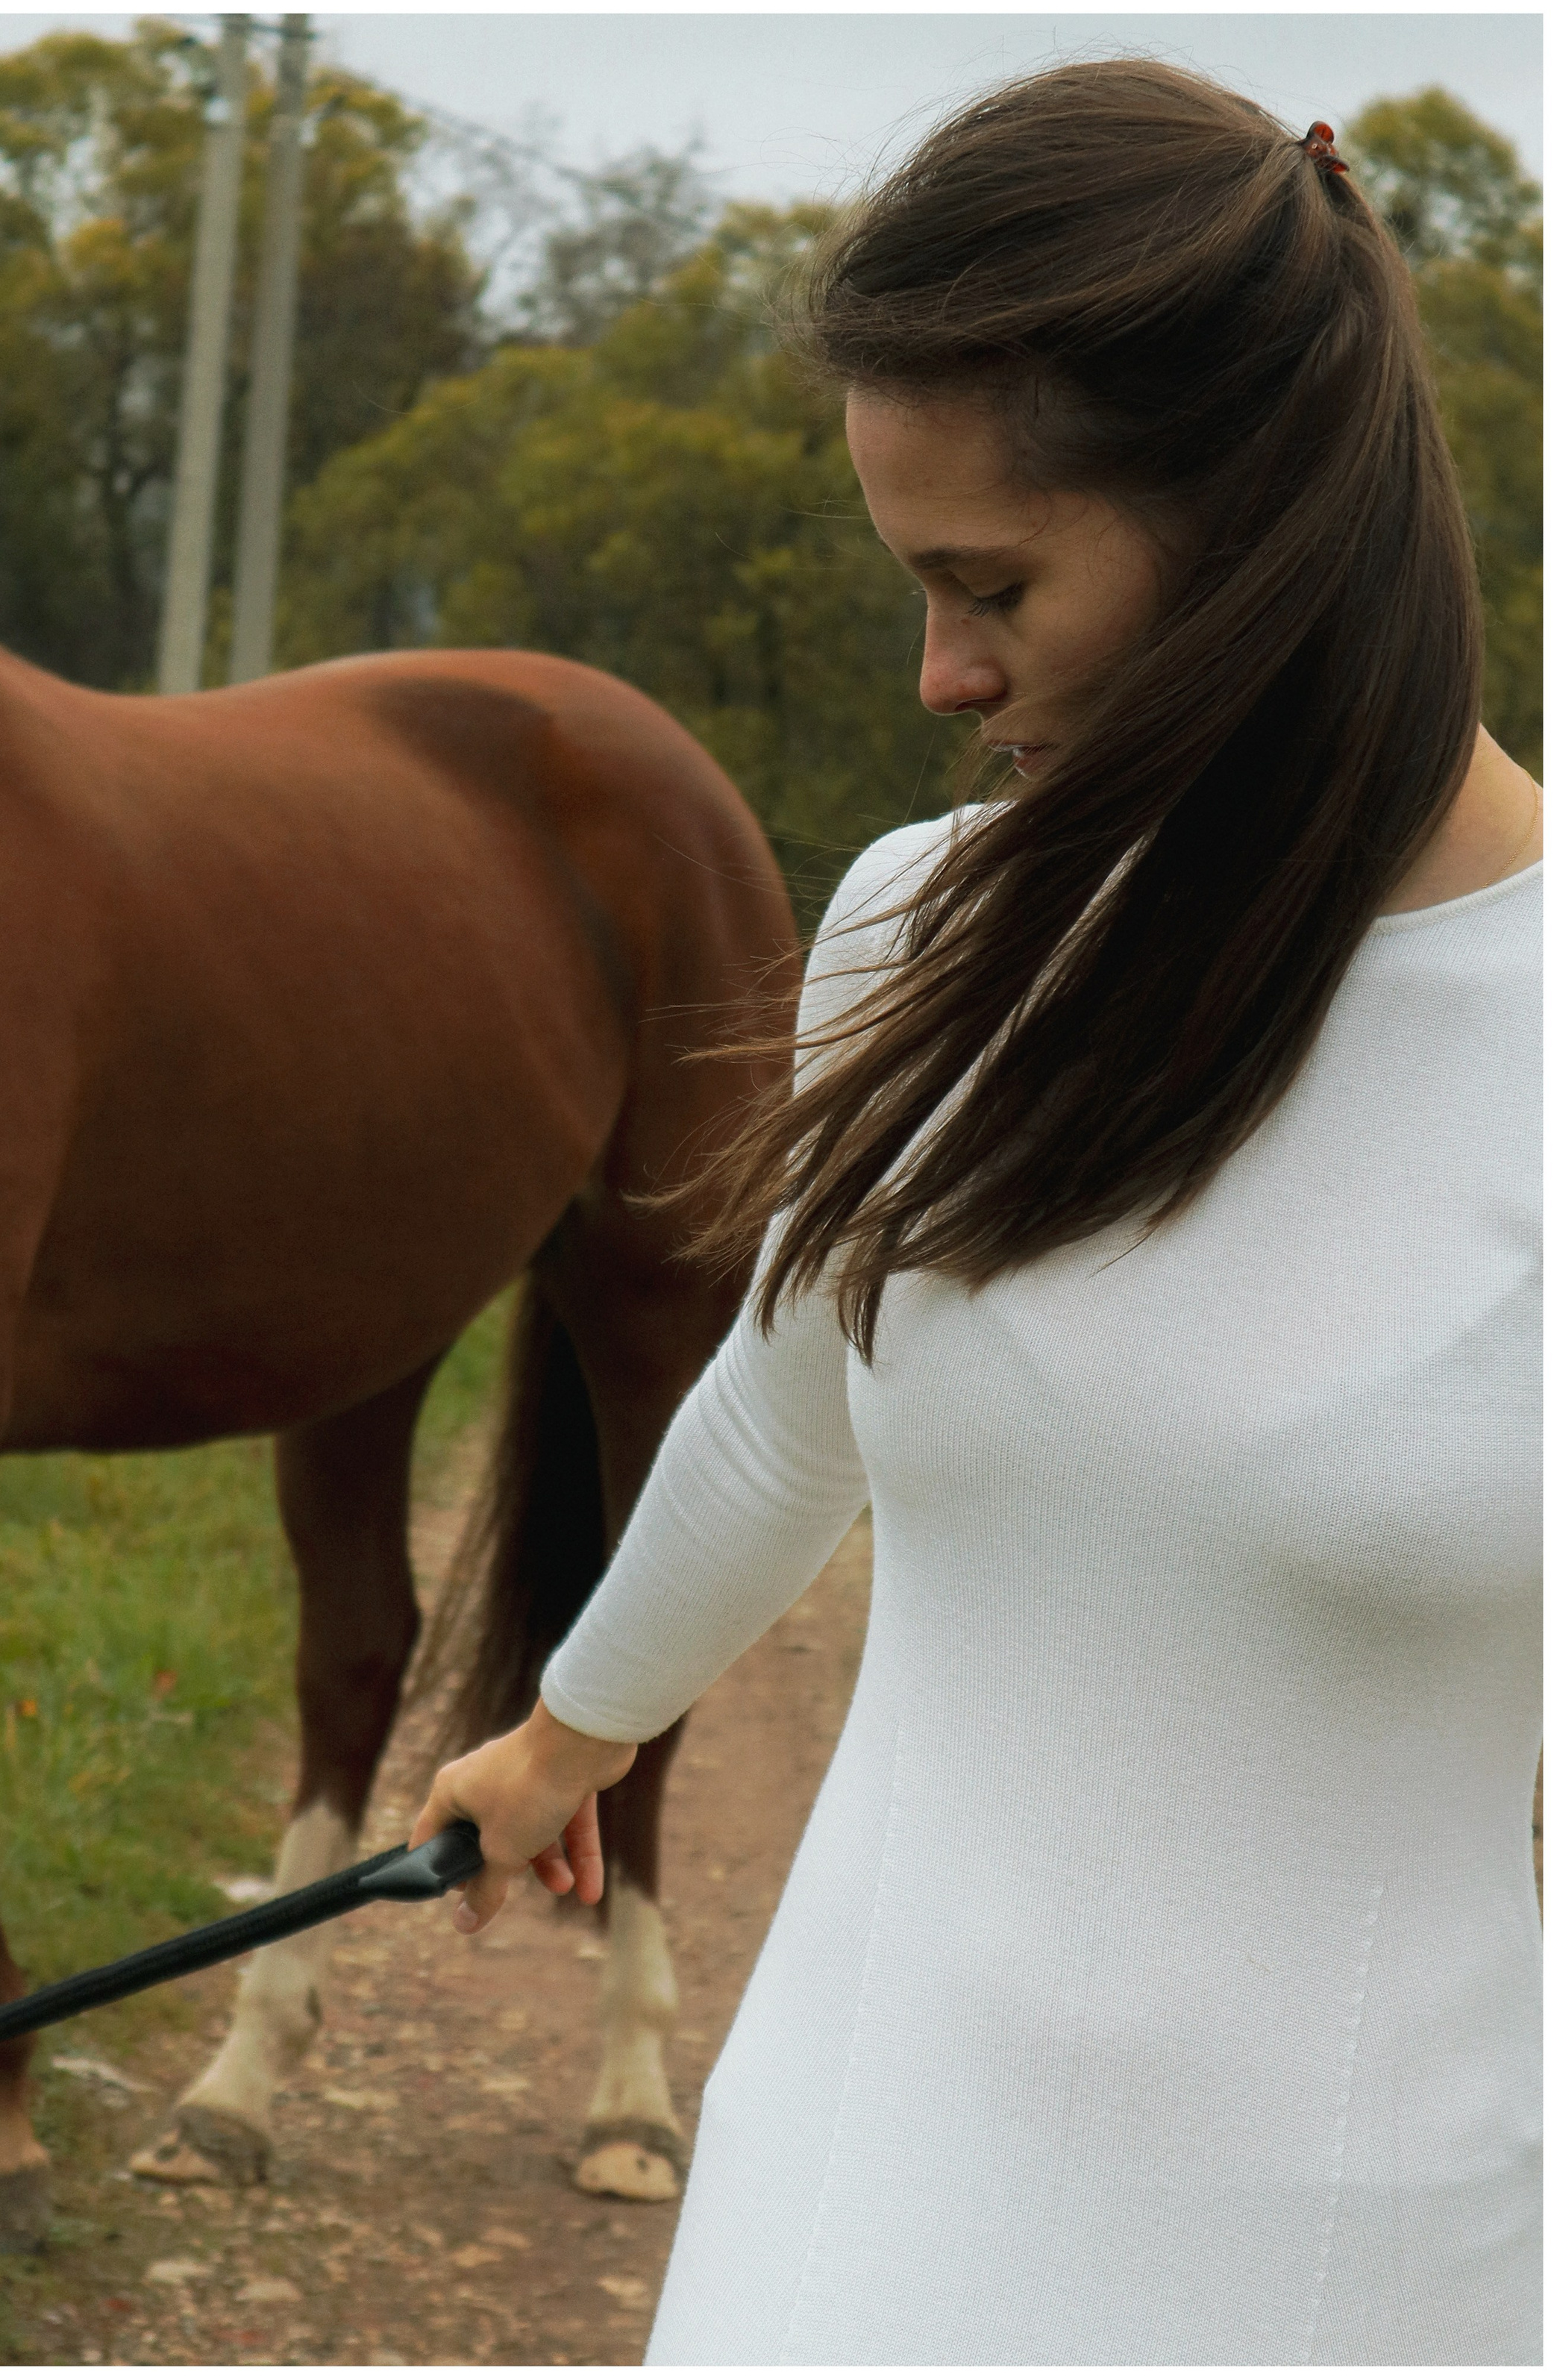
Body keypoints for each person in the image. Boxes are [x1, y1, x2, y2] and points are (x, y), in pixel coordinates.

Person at [411, 59, 1541, 2365]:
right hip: (844, 2201)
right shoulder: (925, 926)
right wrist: (571, 1734)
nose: (938, 680)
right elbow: (787, 1397)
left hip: (1365, 2281)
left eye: (988, 584)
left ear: (1264, 522)